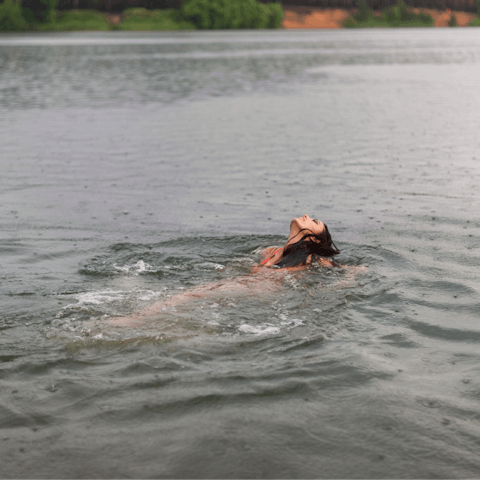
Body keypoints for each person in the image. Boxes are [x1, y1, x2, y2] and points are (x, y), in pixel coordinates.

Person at [109, 215, 343, 327]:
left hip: (263, 287)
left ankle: (131, 320)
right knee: (191, 298)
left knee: (190, 297)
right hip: (250, 283)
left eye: (314, 220)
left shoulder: (313, 258)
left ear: (316, 236)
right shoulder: (274, 250)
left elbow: (340, 272)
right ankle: (142, 318)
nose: (306, 216)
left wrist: (354, 274)